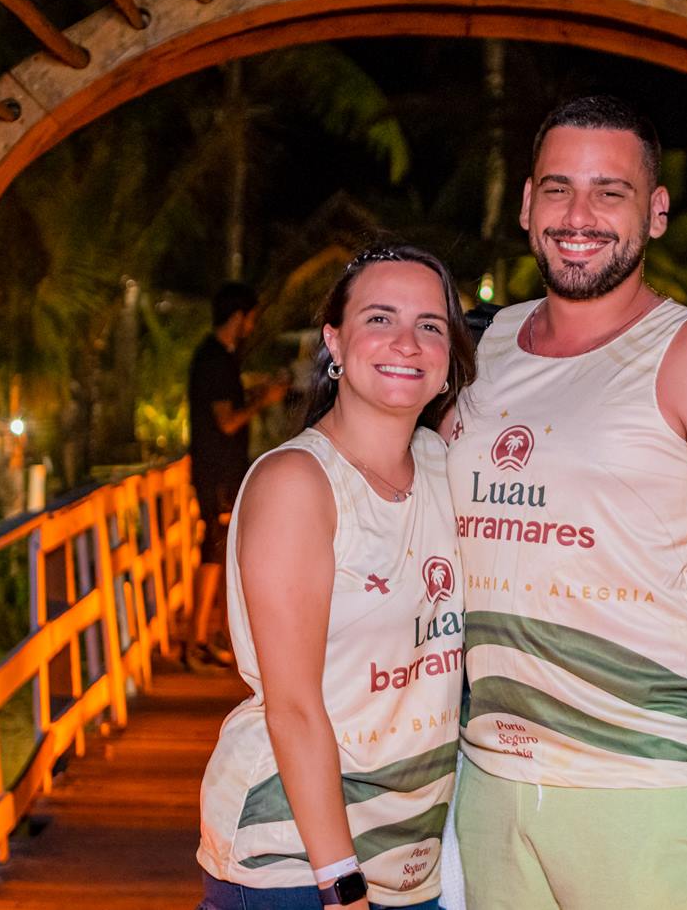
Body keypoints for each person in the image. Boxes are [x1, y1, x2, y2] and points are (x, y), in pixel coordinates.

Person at [446, 96, 687, 910]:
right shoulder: (482, 348)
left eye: (611, 192)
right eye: (559, 189)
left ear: (657, 211)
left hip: (650, 784)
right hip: (494, 780)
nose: (580, 216)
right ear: (527, 204)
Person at [197, 245, 476, 910]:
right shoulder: (298, 483)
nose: (407, 341)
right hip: (297, 860)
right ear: (335, 343)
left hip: (410, 859)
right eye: (380, 318)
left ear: (448, 358)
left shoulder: (443, 462)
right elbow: (293, 705)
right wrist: (341, 881)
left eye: (430, 325)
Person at [186, 282, 288, 669]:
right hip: (217, 471)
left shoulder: (222, 357)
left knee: (219, 549)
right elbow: (227, 422)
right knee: (214, 549)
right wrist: (264, 401)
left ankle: (209, 636)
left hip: (222, 470)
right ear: (238, 316)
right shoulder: (215, 359)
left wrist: (256, 393)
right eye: (251, 317)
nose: (252, 325)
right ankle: (195, 642)